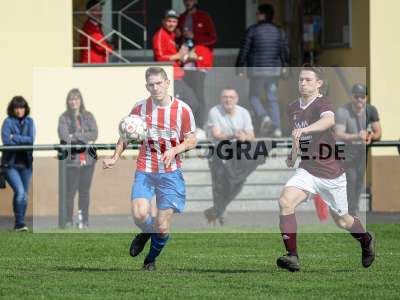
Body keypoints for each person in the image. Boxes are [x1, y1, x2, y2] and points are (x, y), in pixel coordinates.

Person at [276, 66, 375, 272]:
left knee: (343, 221)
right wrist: (292, 156)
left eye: (308, 80)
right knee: (285, 201)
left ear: (319, 83)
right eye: (301, 80)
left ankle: (366, 240)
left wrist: (305, 129)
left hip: (331, 174)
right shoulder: (293, 107)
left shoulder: (323, 102)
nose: (303, 83)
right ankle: (292, 257)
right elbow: (297, 135)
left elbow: (328, 120)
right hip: (307, 170)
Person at [103, 67, 197, 271]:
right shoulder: (139, 108)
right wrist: (114, 157)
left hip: (171, 173)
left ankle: (150, 260)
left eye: (158, 83)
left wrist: (174, 150)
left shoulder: (182, 109)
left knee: (162, 227)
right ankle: (146, 231)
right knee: (139, 214)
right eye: (151, 84)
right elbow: (126, 133)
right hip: (145, 169)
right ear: (147, 86)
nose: (155, 88)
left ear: (167, 83)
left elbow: (191, 140)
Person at [204, 88, 265, 225]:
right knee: (219, 184)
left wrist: (244, 136)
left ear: (236, 99)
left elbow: (252, 136)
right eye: (225, 97)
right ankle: (221, 214)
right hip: (217, 150)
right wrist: (233, 135)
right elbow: (216, 134)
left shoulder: (243, 112)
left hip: (238, 151)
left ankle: (217, 210)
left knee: (238, 181)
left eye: (231, 97)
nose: (228, 100)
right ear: (221, 99)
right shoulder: (214, 111)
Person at [236, 4, 290, 137]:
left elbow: (245, 49)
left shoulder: (253, 30)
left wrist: (239, 66)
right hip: (274, 71)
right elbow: (284, 50)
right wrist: (285, 66)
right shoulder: (279, 31)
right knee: (272, 99)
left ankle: (264, 117)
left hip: (257, 71)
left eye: (257, 13)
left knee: (253, 96)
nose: (256, 15)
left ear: (262, 15)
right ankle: (277, 129)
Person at [335, 83, 382, 216]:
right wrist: (357, 135)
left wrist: (370, 136)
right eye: (356, 97)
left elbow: (378, 132)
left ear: (366, 98)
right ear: (352, 97)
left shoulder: (371, 110)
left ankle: (352, 208)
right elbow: (339, 133)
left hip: (361, 151)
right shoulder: (343, 111)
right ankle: (351, 210)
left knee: (359, 180)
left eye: (362, 97)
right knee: (351, 179)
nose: (359, 100)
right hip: (346, 150)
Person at [58, 89, 98, 229]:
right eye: (71, 99)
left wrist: (74, 136)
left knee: (85, 192)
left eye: (76, 99)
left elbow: (94, 134)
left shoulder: (88, 116)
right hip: (72, 161)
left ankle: (84, 221)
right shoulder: (64, 118)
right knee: (70, 192)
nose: (74, 102)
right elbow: (64, 137)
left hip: (88, 159)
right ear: (68, 102)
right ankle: (68, 220)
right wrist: (84, 137)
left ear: (80, 101)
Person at [152, 9, 200, 126]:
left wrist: (187, 57)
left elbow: (176, 58)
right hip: (170, 77)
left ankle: (184, 129)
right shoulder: (160, 35)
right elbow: (159, 57)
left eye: (174, 21)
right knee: (174, 108)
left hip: (179, 76)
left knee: (193, 103)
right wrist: (179, 55)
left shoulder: (173, 35)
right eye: (169, 21)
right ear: (163, 22)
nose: (171, 24)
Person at [178, 0, 217, 129]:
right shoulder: (182, 17)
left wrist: (195, 36)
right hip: (184, 62)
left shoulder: (204, 16)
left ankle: (199, 126)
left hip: (199, 62)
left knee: (199, 94)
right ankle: (187, 126)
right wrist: (178, 36)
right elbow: (180, 40)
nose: (187, 2)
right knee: (186, 96)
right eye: (185, 0)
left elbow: (212, 38)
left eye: (190, 0)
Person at [1, 96, 35, 231]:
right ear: (12, 109)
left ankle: (19, 223)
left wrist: (14, 137)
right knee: (20, 192)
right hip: (10, 164)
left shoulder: (30, 121)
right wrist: (21, 140)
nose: (19, 110)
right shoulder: (7, 122)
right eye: (16, 108)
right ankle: (20, 223)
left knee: (24, 195)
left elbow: (31, 140)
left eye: (21, 107)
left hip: (26, 164)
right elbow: (6, 141)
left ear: (25, 109)